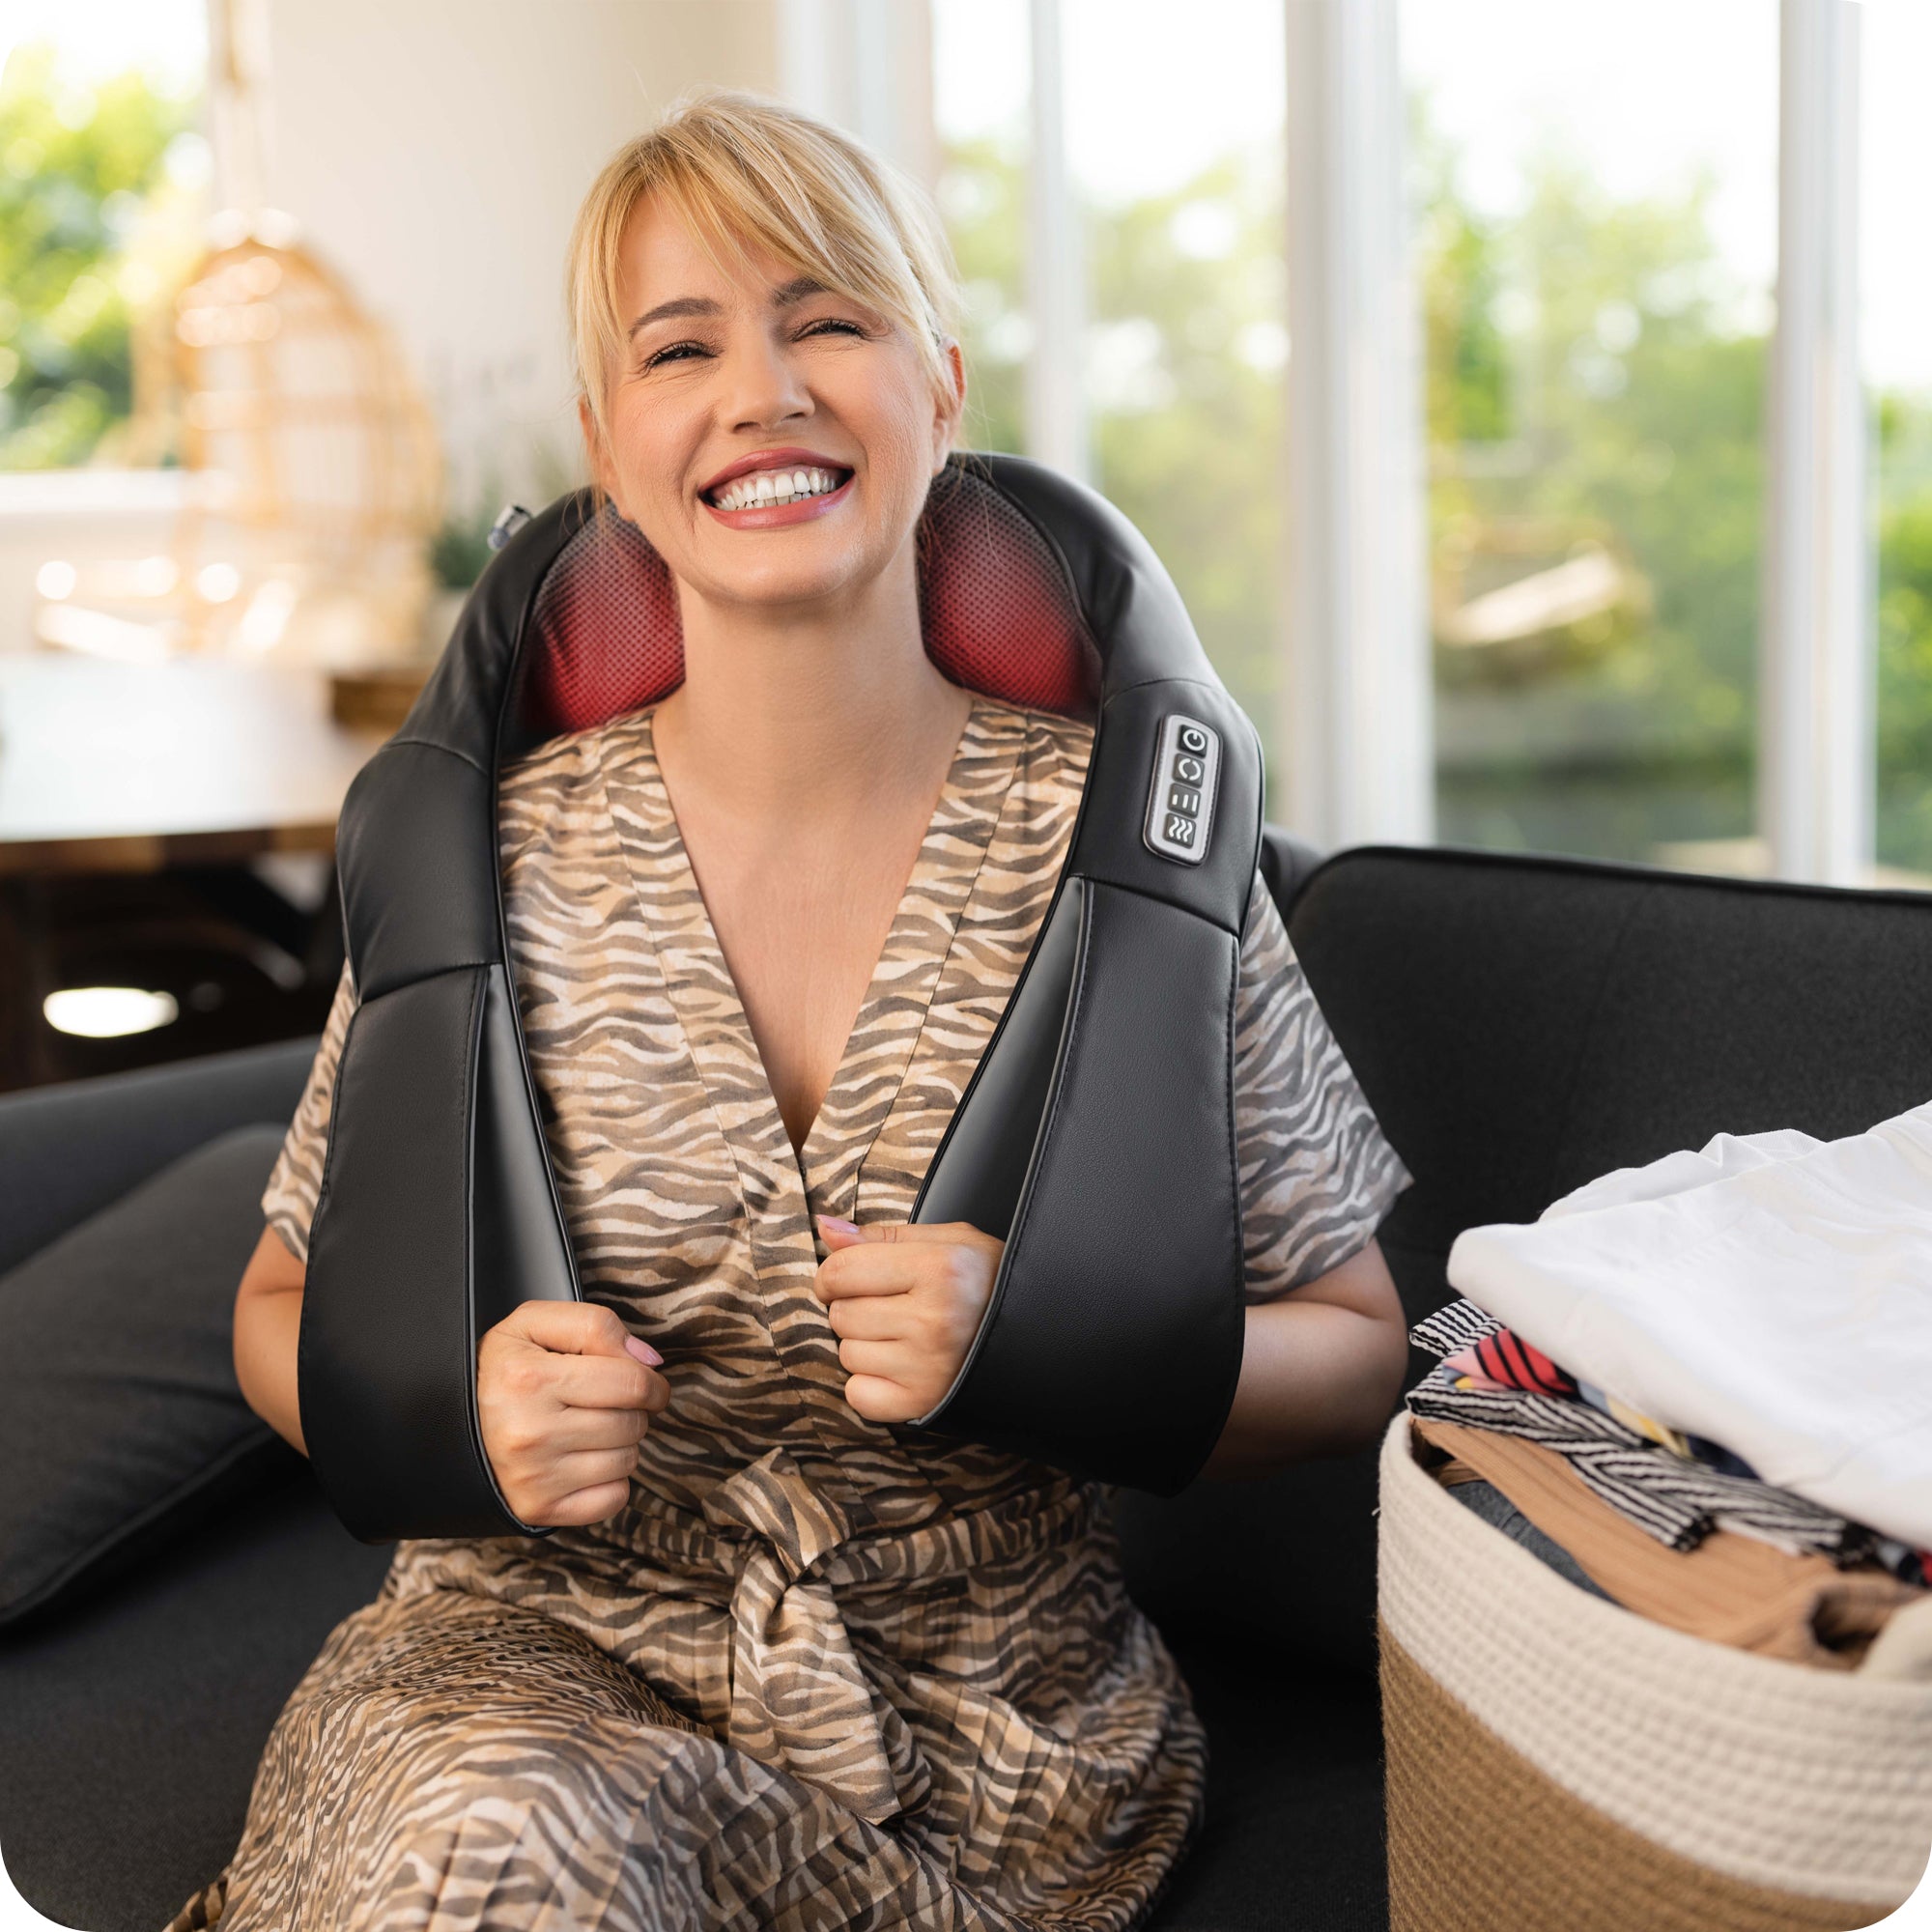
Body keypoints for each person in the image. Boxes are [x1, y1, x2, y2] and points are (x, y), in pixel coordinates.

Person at [173, 90, 1410, 1932]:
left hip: (996, 1745)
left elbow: (1358, 1341)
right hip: (533, 1677)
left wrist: (1049, 1334)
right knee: (496, 1850)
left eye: (828, 317)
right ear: (610, 442)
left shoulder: (1136, 852)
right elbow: (283, 1312)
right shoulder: (480, 861)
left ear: (943, 388)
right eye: (683, 346)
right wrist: (460, 1401)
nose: (762, 392)